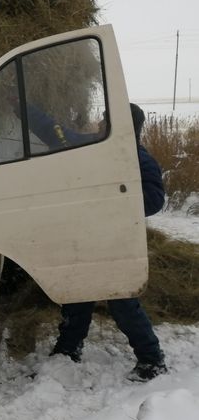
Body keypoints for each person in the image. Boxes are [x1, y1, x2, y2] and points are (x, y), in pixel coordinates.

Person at [49, 102, 167, 381]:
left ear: (123, 124)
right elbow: (58, 134)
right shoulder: (97, 148)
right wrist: (24, 110)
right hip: (91, 238)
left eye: (106, 119)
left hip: (118, 242)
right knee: (78, 293)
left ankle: (152, 359)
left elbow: (155, 200)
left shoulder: (139, 159)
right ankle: (69, 349)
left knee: (122, 302)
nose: (100, 124)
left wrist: (113, 202)